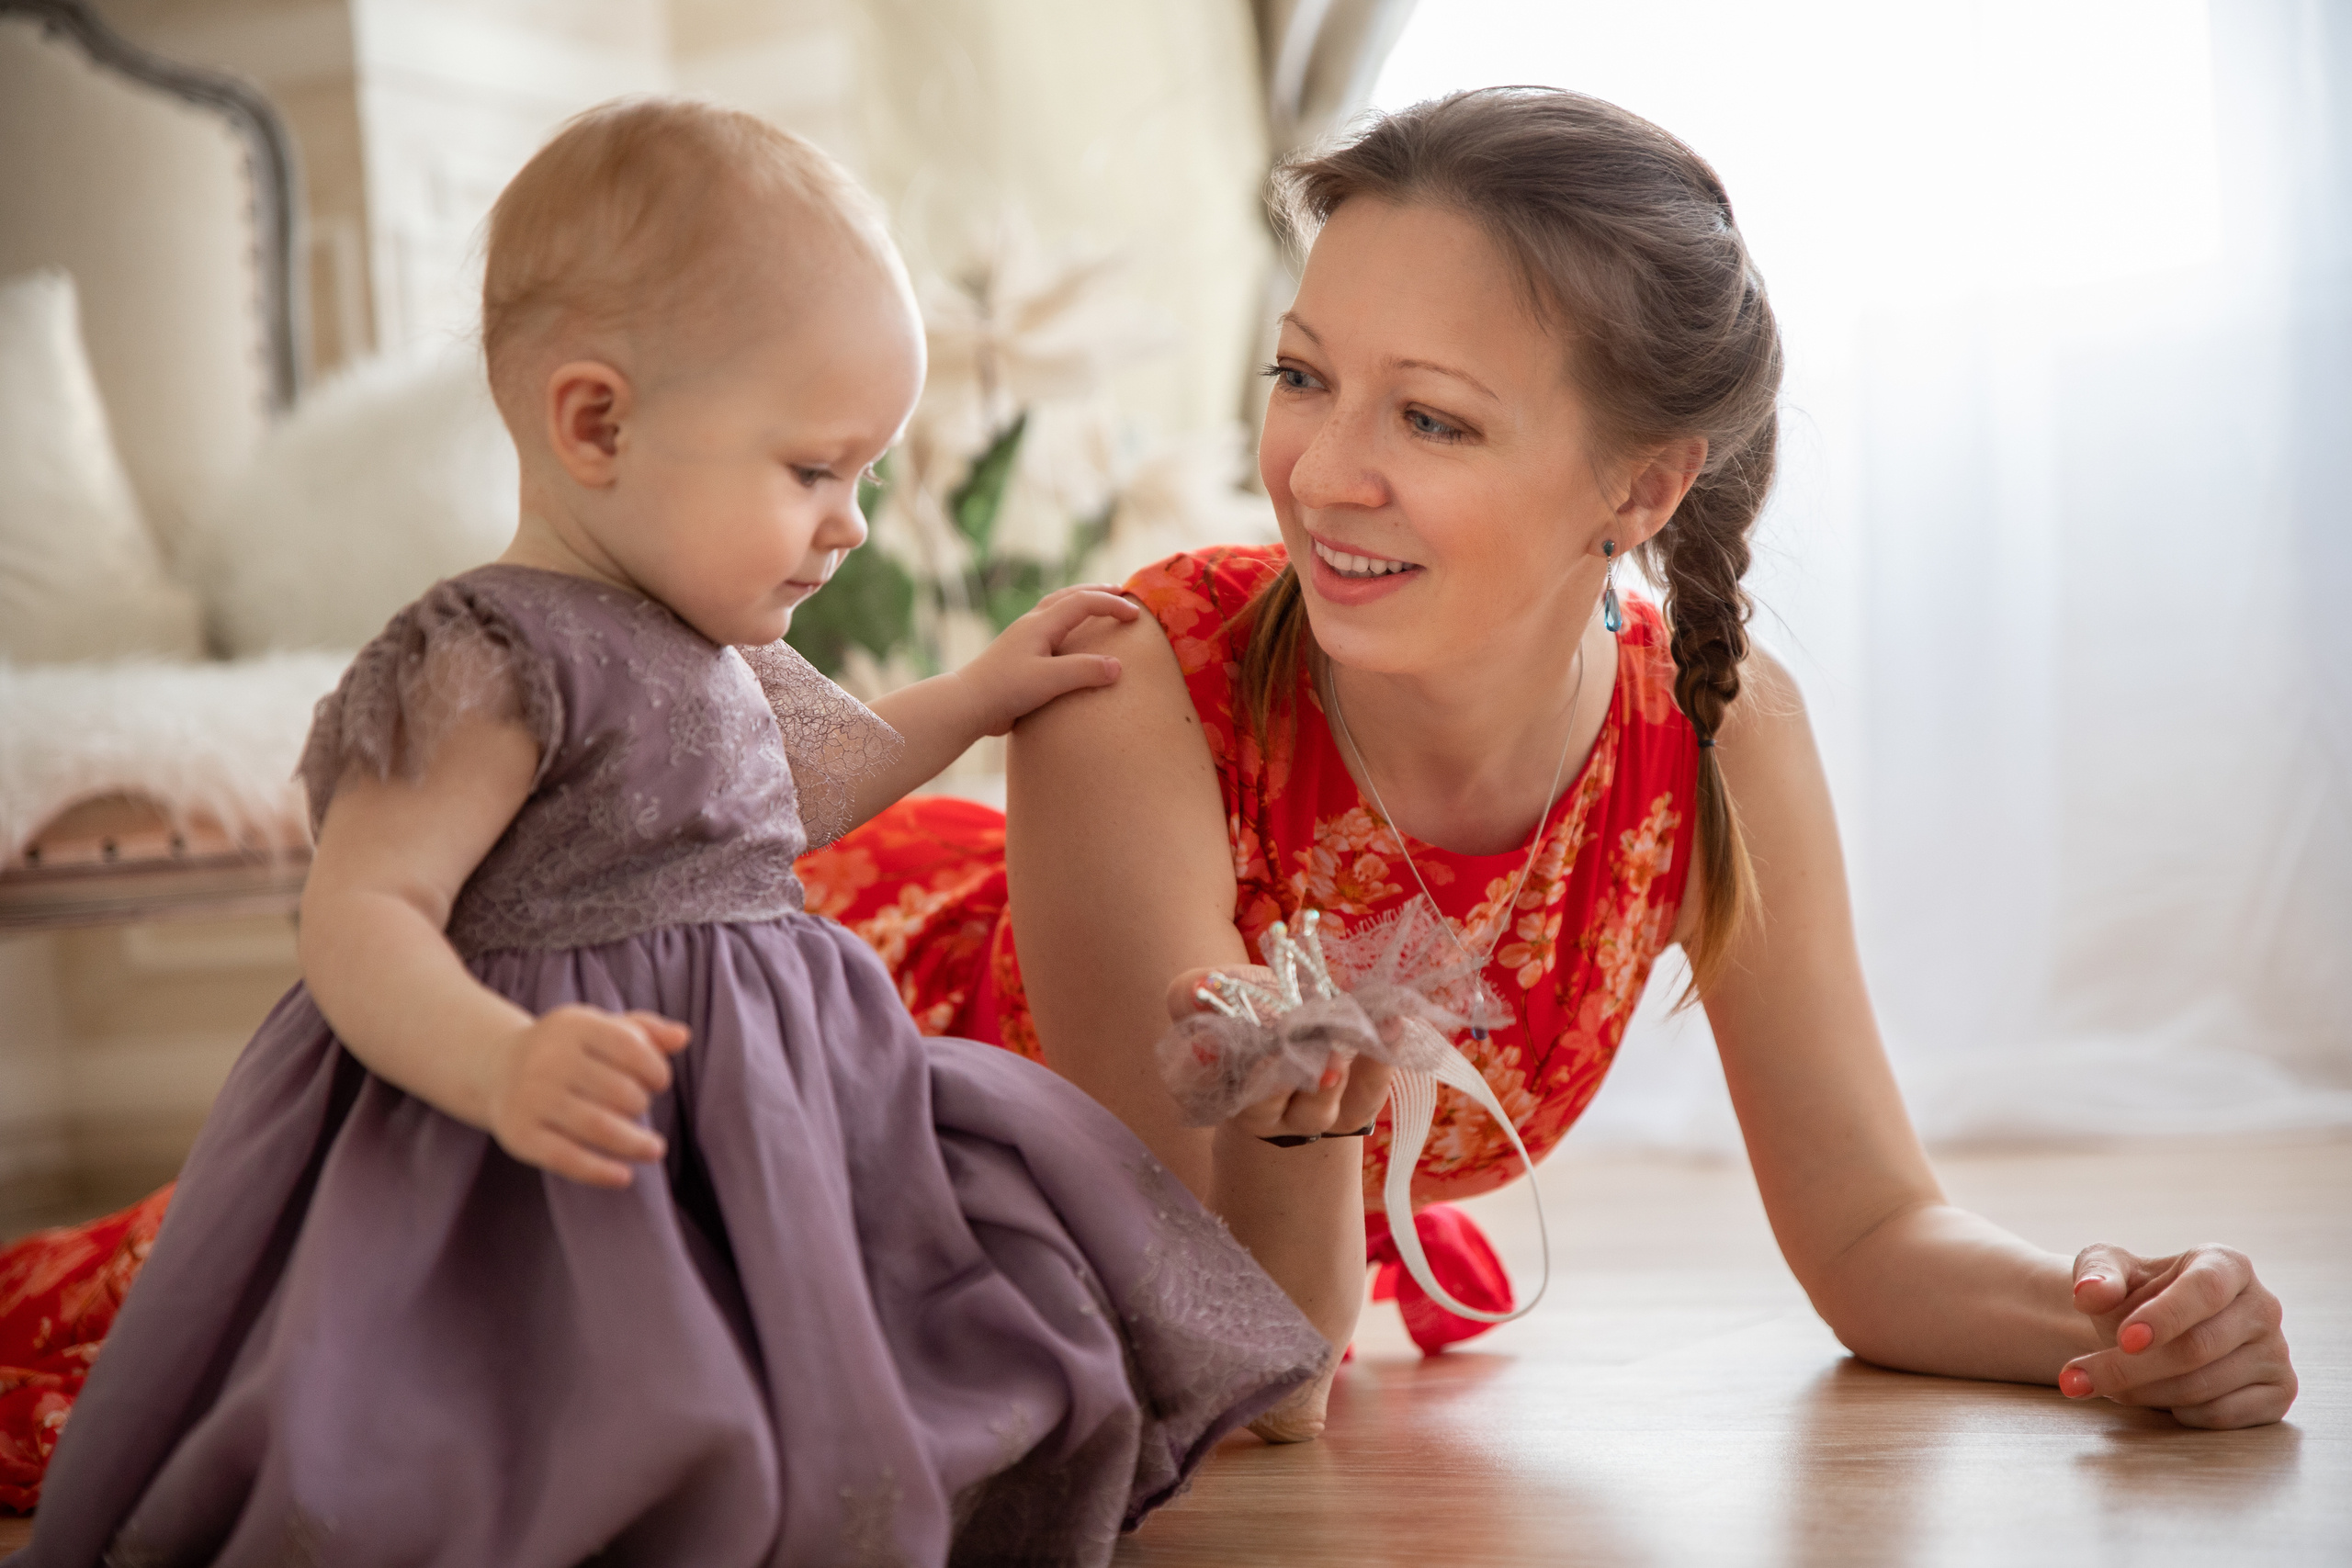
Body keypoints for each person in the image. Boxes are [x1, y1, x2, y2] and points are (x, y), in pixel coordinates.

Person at [799, 87, 2300, 1439]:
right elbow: (1218, 1331)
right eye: (1303, 375)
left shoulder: (1716, 736)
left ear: (1640, 490)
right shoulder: (1134, 688)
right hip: (846, 1092)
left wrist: (2124, 1324)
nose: (1320, 472)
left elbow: (1870, 1232)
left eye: (1432, 418)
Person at [5, 98, 1324, 1565]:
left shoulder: (720, 647)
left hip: (769, 1100)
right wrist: (497, 1062)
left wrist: (974, 696)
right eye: (813, 472)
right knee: (584, 1387)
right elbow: (361, 911)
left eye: (865, 480)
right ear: (598, 425)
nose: (851, 526)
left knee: (879, 1294)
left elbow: (793, 799)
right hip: (549, 1116)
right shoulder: (490, 654)